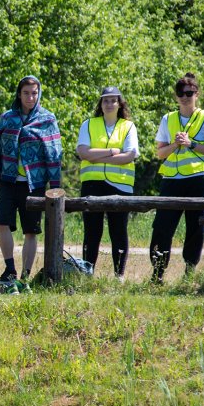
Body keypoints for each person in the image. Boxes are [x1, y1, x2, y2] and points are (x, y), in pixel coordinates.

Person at [0, 75, 62, 288]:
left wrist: (55, 185)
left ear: (39, 94)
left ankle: (25, 276)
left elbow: (54, 152)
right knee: (3, 223)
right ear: (19, 94)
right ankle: (10, 269)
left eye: (34, 93)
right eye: (26, 93)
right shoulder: (7, 117)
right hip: (8, 179)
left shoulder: (47, 119)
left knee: (31, 230)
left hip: (35, 183)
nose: (30, 97)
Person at [149, 72, 204, 282]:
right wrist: (176, 144)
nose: (184, 96)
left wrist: (192, 144)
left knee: (195, 227)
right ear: (176, 96)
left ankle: (189, 274)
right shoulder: (168, 119)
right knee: (162, 227)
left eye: (189, 92)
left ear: (196, 94)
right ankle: (157, 274)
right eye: (180, 93)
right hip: (172, 179)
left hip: (199, 179)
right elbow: (160, 153)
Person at [76, 86, 139, 280]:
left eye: (113, 100)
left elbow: (130, 155)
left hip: (120, 186)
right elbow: (83, 153)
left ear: (120, 103)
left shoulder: (128, 126)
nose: (109, 104)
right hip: (92, 184)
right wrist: (112, 152)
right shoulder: (88, 124)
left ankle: (119, 276)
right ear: (100, 104)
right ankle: (88, 273)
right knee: (92, 232)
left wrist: (99, 156)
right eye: (105, 100)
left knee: (118, 231)